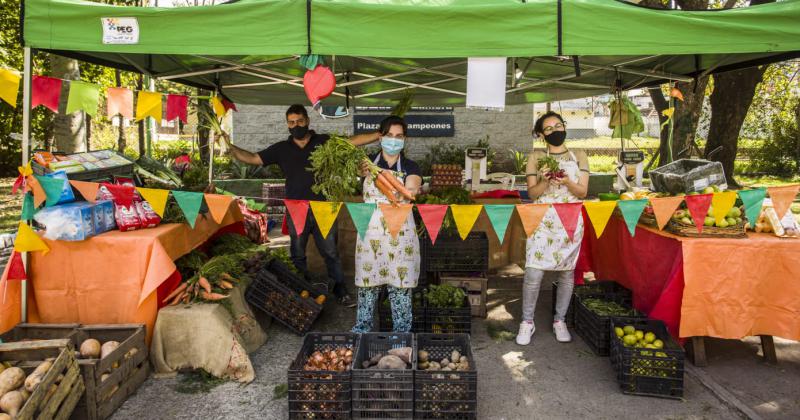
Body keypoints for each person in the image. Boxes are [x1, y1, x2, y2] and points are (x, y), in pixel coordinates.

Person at [222, 104, 379, 304]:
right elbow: (253, 158)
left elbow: (352, 142)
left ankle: (340, 289)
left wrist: (379, 134)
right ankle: (302, 287)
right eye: (292, 122)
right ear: (287, 125)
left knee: (331, 252)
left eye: (300, 121)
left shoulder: (324, 142)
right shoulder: (281, 149)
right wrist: (230, 147)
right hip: (296, 209)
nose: (296, 125)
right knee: (297, 253)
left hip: (324, 208)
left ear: (308, 121)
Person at [516, 111, 589, 345]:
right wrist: (546, 180)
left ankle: (560, 320)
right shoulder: (536, 157)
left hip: (569, 221)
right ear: (541, 134)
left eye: (558, 125)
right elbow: (531, 193)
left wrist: (567, 181)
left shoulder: (579, 155)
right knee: (533, 271)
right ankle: (527, 322)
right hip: (542, 220)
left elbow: (583, 192)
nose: (555, 131)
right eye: (549, 128)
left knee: (567, 273)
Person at [351, 116, 422, 333]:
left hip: (400, 236)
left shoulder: (411, 166)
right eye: (389, 135)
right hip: (370, 235)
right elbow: (345, 145)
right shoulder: (364, 165)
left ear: (404, 139)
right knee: (367, 287)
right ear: (381, 137)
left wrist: (398, 187)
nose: (394, 140)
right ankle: (362, 333)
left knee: (400, 289)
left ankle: (400, 338)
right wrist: (364, 170)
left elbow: (410, 191)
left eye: (399, 136)